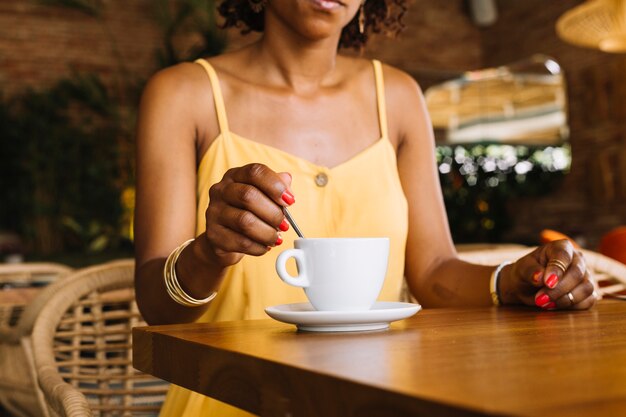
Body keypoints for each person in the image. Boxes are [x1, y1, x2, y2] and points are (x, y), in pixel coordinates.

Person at [134, 0, 597, 415]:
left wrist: (509, 280)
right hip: (229, 398)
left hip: (379, 397)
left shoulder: (397, 97)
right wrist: (208, 254)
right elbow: (158, 308)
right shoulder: (183, 94)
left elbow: (434, 272)